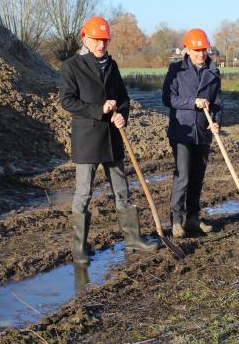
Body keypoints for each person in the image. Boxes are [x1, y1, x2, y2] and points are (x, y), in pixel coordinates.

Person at [60, 16, 158, 265]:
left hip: (113, 138)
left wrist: (122, 116)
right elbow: (67, 101)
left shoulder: (112, 66)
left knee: (122, 191)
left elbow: (123, 99)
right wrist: (99, 110)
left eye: (104, 40)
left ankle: (133, 239)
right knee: (83, 194)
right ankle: (79, 249)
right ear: (85, 38)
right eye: (96, 40)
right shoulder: (72, 66)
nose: (101, 45)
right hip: (88, 140)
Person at [162, 28, 222, 238]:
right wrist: (192, 103)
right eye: (196, 50)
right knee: (183, 176)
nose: (200, 54)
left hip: (203, 132)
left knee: (197, 177)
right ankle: (177, 220)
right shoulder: (176, 70)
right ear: (186, 49)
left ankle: (193, 218)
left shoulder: (213, 72)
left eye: (203, 50)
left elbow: (218, 102)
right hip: (182, 132)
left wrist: (216, 122)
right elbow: (168, 99)